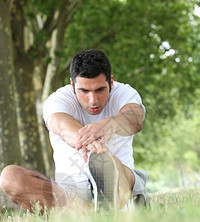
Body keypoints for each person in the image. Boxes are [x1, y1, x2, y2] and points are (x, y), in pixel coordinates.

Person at [0, 49, 148, 212]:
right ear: (72, 85)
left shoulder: (124, 92)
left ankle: (117, 202)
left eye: (100, 90)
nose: (93, 100)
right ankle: (85, 213)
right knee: (9, 177)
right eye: (84, 91)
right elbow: (62, 126)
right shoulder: (58, 100)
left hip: (123, 180)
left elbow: (135, 118)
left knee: (110, 164)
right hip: (71, 195)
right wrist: (89, 140)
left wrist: (109, 125)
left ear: (111, 82)